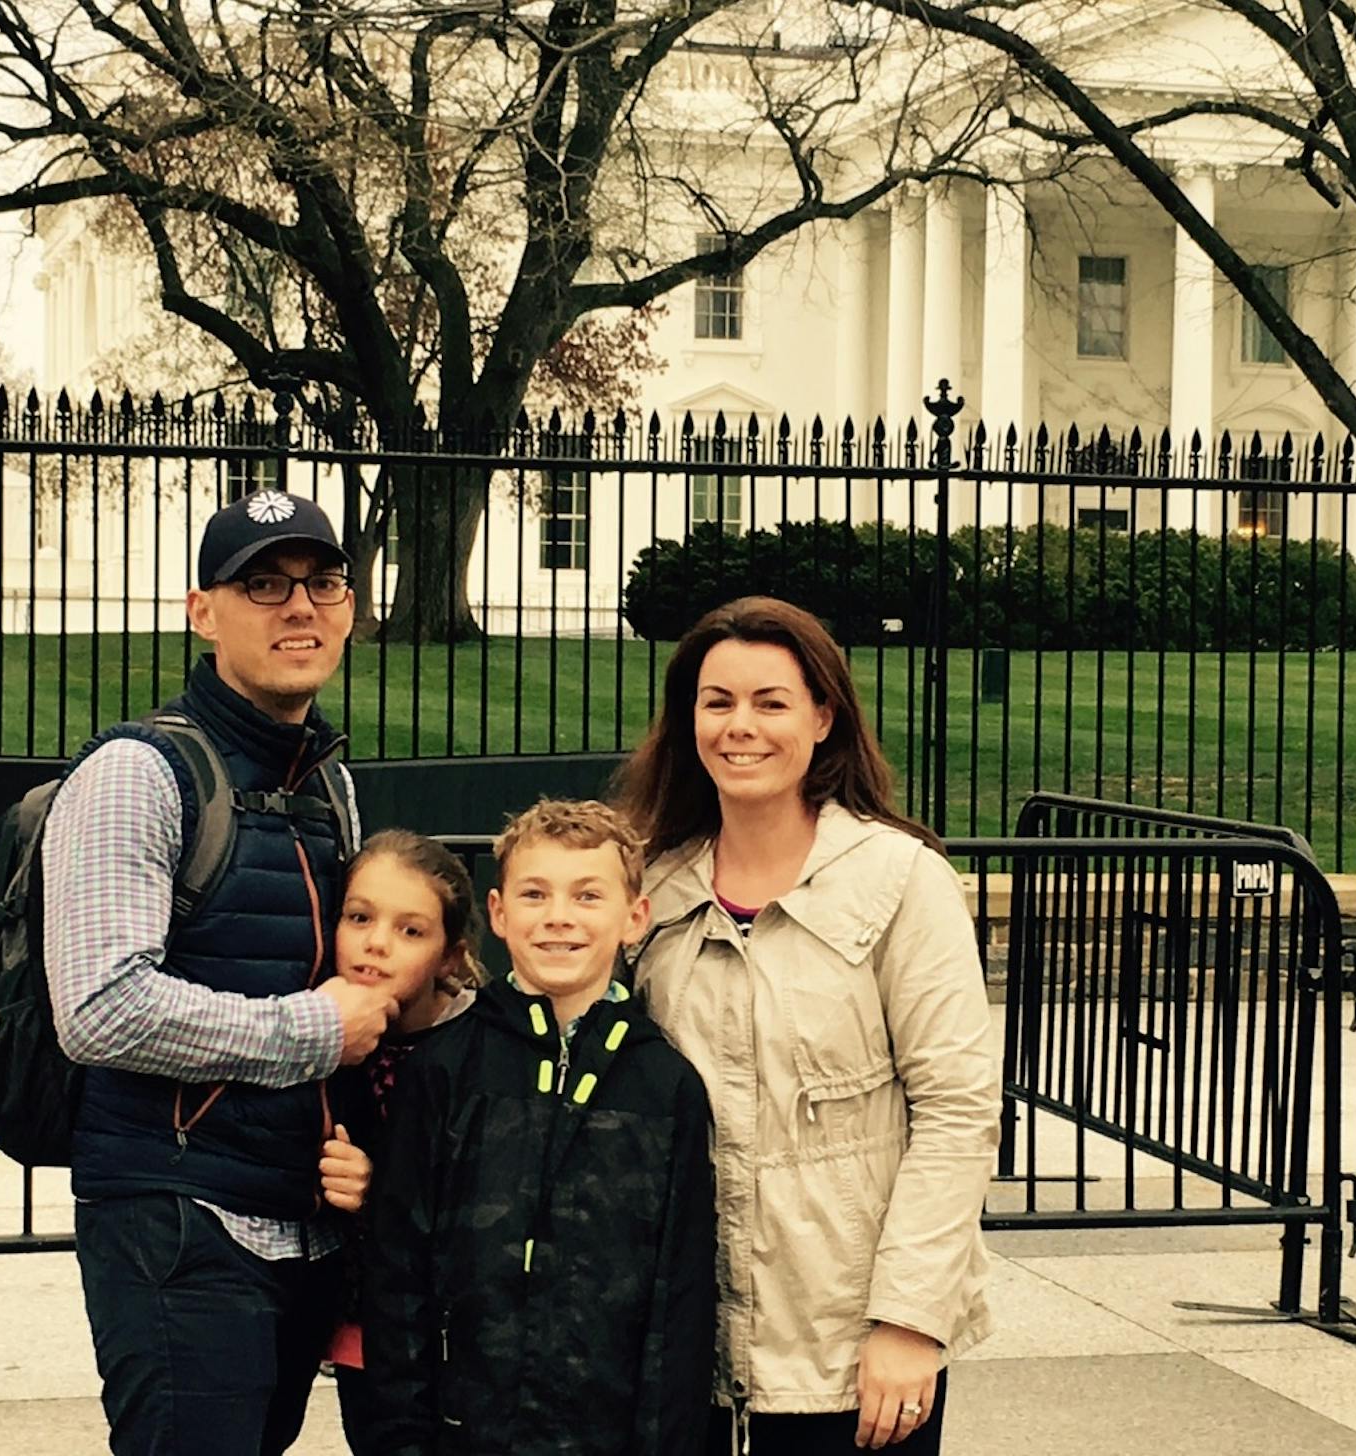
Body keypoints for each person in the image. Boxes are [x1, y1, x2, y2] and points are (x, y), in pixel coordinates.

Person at [41, 489, 400, 1456]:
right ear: (203, 612)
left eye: (324, 583)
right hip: (176, 1220)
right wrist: (313, 1033)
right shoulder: (135, 774)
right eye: (265, 586)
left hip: (300, 1223)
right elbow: (101, 1008)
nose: (301, 609)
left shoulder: (329, 782)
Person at [621, 596, 1000, 1454]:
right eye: (716, 702)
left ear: (824, 718)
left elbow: (956, 1110)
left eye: (771, 702)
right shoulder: (651, 890)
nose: (739, 726)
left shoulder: (901, 879)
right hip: (683, 1343)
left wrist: (910, 1319)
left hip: (850, 1348)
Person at [361, 798, 717, 1456]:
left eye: (588, 895)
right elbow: (396, 1274)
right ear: (498, 913)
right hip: (464, 1432)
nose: (559, 917)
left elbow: (683, 1296)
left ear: (634, 917)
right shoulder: (444, 1070)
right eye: (535, 894)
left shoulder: (666, 1087)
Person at [316, 830, 486, 1452]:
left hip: (457, 1339)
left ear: (451, 957)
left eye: (411, 931)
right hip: (365, 1334)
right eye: (359, 917)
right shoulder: (316, 1031)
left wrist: (377, 1188)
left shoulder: (476, 1052)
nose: (376, 944)